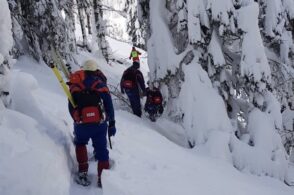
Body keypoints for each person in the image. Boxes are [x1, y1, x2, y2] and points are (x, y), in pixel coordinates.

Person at [67, 60, 116, 188]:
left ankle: (83, 172)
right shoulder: (101, 85)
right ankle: (102, 178)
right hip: (99, 125)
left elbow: (71, 107)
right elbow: (109, 107)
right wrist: (112, 124)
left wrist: (76, 119)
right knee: (101, 150)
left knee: (81, 144)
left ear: (84, 70)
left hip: (81, 125)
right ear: (96, 71)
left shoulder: (75, 86)